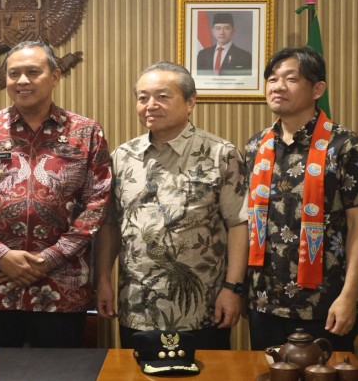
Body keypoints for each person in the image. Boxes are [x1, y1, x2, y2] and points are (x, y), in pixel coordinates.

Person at [0, 41, 112, 348]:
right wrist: (0, 255)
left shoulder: (86, 132)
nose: (22, 81)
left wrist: (49, 259)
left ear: (55, 76)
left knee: (58, 370)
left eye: (33, 72)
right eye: (14, 74)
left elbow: (97, 203)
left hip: (61, 286)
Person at [244, 46, 358, 352]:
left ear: (317, 89)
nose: (278, 86)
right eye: (272, 79)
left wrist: (349, 296)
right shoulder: (257, 145)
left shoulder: (347, 145)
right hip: (263, 302)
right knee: (266, 373)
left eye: (291, 79)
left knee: (326, 373)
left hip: (324, 303)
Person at [95, 61, 249, 350]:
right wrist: (102, 277)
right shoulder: (122, 157)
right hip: (137, 307)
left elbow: (238, 224)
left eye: (163, 96)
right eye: (143, 98)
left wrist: (233, 288)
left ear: (190, 102)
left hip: (203, 308)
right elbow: (111, 224)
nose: (150, 105)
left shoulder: (221, 154)